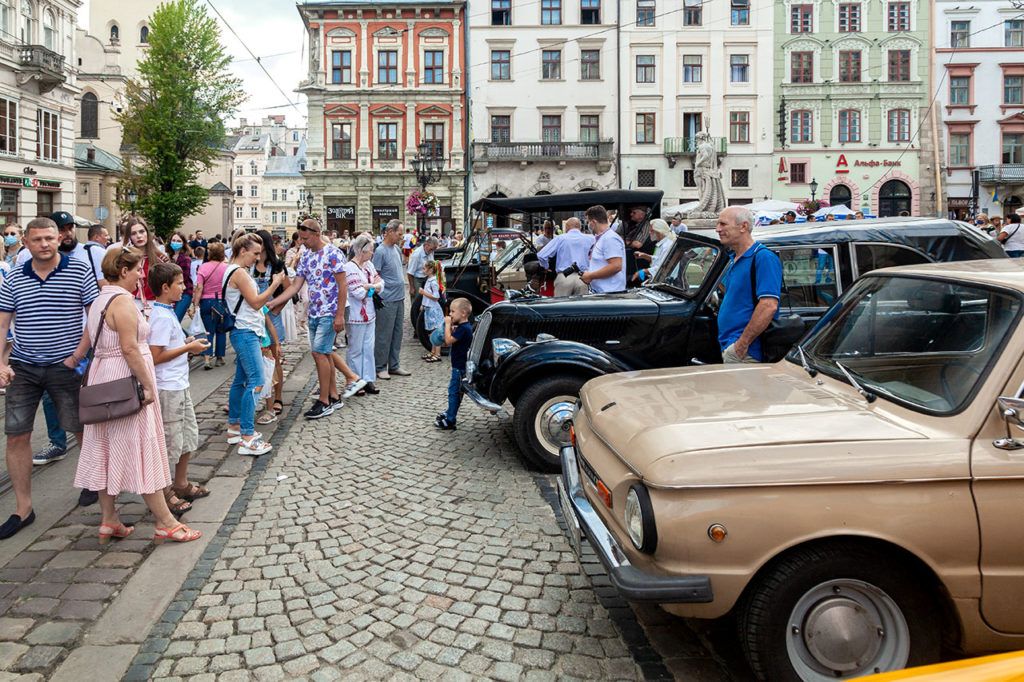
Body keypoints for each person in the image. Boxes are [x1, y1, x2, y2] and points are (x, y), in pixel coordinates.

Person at [75, 247, 201, 545]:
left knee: (107, 448)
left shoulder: (98, 300)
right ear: (122, 271)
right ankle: (165, 522)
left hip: (104, 381)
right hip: (125, 382)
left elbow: (91, 342)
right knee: (143, 449)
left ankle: (109, 520)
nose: (139, 276)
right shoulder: (121, 302)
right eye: (136, 271)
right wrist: (146, 385)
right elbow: (130, 349)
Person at [0, 217, 100, 539]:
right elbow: (3, 325)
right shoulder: (13, 278)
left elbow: (93, 317)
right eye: (37, 239)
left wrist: (78, 356)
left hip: (66, 365)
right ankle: (23, 508)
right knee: (16, 435)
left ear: (60, 239)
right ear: (25, 243)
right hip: (24, 366)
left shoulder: (79, 270)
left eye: (50, 238)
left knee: (80, 427)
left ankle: (91, 481)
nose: (44, 244)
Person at [269, 219, 356, 419]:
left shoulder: (334, 254)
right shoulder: (306, 256)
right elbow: (295, 286)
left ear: (317, 234)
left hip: (330, 311)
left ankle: (324, 400)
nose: (303, 242)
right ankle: (333, 396)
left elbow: (343, 286)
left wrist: (340, 314)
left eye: (306, 238)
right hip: (314, 312)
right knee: (323, 354)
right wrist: (274, 302)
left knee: (319, 353)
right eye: (301, 238)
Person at [147, 262, 211, 516]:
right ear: (165, 287)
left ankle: (181, 483)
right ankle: (165, 492)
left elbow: (167, 346)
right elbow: (155, 356)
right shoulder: (160, 316)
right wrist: (187, 349)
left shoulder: (167, 311)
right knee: (170, 442)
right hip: (168, 388)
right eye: (179, 284)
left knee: (186, 436)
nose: (184, 288)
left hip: (179, 384)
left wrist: (185, 342)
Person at [224, 233, 282, 453]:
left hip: (245, 331)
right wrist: (275, 283)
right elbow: (256, 303)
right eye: (255, 254)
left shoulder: (232, 270)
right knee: (256, 381)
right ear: (242, 251)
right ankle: (247, 436)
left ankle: (234, 427)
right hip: (245, 331)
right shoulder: (238, 272)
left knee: (241, 380)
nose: (258, 259)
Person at [715, 206, 782, 363]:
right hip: (732, 346)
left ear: (743, 226)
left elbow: (768, 305)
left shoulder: (763, 258)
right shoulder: (735, 258)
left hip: (747, 351)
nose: (718, 229)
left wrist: (742, 344)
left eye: (723, 224)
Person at [250, 229, 290, 417]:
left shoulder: (277, 265)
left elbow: (288, 291)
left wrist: (275, 309)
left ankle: (278, 397)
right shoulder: (248, 265)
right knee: (253, 360)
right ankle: (255, 398)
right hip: (252, 318)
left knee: (274, 361)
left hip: (270, 317)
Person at [344, 234, 384, 396]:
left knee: (368, 348)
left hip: (369, 313)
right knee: (355, 349)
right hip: (355, 315)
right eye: (370, 251)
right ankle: (354, 380)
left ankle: (367, 379)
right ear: (361, 251)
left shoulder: (369, 265)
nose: (372, 254)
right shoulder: (349, 268)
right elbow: (358, 293)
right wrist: (372, 287)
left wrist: (369, 286)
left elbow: (382, 284)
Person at [372, 219, 410, 379]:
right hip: (386, 299)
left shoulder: (395, 249)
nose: (402, 237)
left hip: (399, 298)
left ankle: (394, 365)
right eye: (400, 234)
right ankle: (380, 366)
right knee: (383, 334)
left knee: (396, 334)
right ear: (390, 232)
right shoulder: (380, 251)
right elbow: (375, 275)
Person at [433, 298, 473, 431]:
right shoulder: (463, 327)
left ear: (463, 313)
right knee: (456, 392)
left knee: (454, 392)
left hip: (459, 367)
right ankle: (450, 412)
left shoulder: (464, 329)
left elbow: (448, 340)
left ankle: (450, 420)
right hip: (459, 365)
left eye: (452, 312)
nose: (450, 314)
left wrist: (447, 324)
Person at [192, 242, 229, 369]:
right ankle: (219, 357)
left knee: (208, 330)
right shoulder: (226, 267)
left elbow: (199, 287)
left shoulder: (203, 267)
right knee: (221, 330)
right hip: (221, 301)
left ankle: (207, 358)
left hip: (206, 301)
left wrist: (195, 305)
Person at [118, 217, 168, 307]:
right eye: (133, 233)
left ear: (147, 233)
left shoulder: (160, 258)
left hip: (155, 306)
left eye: (142, 231)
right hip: (130, 304)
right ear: (129, 237)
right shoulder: (124, 258)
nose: (139, 236)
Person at [538, 217, 594, 297]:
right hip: (583, 277)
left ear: (567, 227)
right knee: (581, 307)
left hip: (564, 276)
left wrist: (545, 266)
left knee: (561, 307)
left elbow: (541, 255)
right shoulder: (590, 239)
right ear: (580, 227)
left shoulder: (560, 238)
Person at [580, 205, 626, 293]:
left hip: (609, 293)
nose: (588, 225)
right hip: (601, 292)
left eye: (588, 222)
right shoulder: (602, 238)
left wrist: (591, 276)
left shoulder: (610, 238)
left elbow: (616, 266)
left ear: (593, 222)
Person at [616, 206, 654, 286]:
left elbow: (638, 244)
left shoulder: (646, 225)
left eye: (634, 213)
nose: (631, 214)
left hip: (639, 263)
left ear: (642, 215)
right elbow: (617, 234)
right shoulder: (630, 224)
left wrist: (621, 240)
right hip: (630, 262)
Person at [633, 218, 675, 283]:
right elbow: (658, 260)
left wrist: (644, 271)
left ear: (658, 232)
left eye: (651, 231)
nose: (649, 233)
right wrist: (645, 256)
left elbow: (662, 267)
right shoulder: (661, 244)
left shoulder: (667, 246)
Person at [165, 233, 194, 322]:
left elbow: (183, 278)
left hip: (184, 293)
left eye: (178, 241)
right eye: (173, 240)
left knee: (175, 321)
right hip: (171, 292)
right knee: (170, 322)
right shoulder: (167, 257)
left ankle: (192, 337)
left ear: (183, 244)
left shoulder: (185, 259)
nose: (175, 243)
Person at [420, 260, 444, 362]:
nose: (423, 270)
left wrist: (423, 292)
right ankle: (433, 351)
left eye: (424, 268)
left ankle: (437, 353)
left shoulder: (433, 282)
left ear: (430, 270)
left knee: (435, 331)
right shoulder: (430, 280)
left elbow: (436, 297)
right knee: (431, 331)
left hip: (433, 309)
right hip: (429, 308)